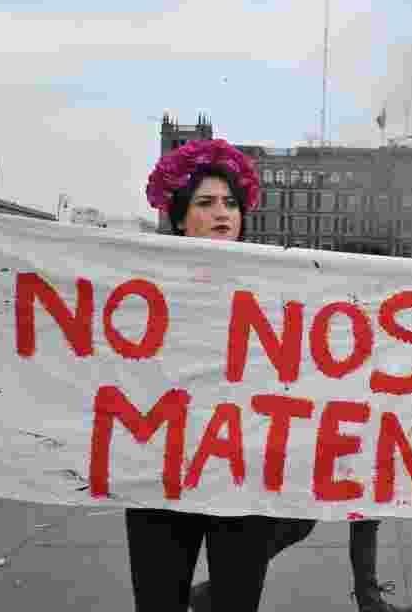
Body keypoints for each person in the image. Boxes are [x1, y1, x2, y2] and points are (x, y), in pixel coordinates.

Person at [132, 138, 318, 612]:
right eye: (206, 203)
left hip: (241, 474)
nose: (222, 213)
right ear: (178, 216)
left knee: (237, 602)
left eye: (231, 203)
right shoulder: (138, 283)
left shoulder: (276, 288)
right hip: (161, 475)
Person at [188, 246, 412, 612]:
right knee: (300, 522)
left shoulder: (378, 320)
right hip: (322, 434)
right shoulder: (332, 315)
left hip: (359, 432)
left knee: (365, 513)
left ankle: (368, 599)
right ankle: (222, 586)